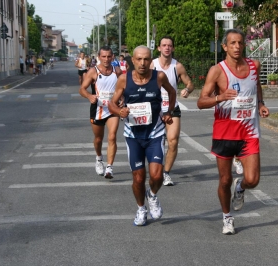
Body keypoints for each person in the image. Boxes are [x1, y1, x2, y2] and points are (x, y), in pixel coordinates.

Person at [197, 29, 270, 235]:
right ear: (225, 47)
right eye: (232, 43)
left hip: (249, 132)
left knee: (253, 179)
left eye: (240, 43)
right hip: (224, 133)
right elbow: (201, 101)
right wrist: (220, 98)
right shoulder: (217, 71)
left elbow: (256, 87)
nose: (237, 46)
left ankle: (241, 188)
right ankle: (227, 217)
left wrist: (261, 103)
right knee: (224, 180)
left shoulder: (254, 66)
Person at [108, 45, 176, 226]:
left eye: (146, 59)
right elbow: (112, 104)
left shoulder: (158, 77)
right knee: (138, 178)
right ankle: (141, 208)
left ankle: (152, 195)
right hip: (133, 135)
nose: (143, 63)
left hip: (155, 132)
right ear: (133, 60)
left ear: (150, 60)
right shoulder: (124, 79)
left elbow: (172, 92)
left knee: (156, 176)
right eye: (139, 59)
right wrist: (119, 111)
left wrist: (168, 111)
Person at [150, 36, 194, 186]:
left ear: (173, 48)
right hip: (154, 109)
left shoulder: (178, 66)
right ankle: (154, 167)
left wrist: (187, 90)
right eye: (164, 45)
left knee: (173, 141)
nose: (167, 48)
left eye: (170, 45)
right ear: (159, 48)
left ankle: (166, 173)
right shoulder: (152, 65)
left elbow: (190, 83)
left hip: (171, 107)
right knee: (155, 142)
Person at [79, 46, 122, 179]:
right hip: (98, 109)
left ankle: (109, 168)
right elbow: (82, 89)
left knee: (112, 136)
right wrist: (89, 96)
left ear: (112, 57)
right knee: (98, 139)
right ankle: (99, 158)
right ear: (99, 57)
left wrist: (123, 98)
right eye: (103, 56)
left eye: (109, 56)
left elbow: (123, 87)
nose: (106, 59)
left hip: (113, 109)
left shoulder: (117, 71)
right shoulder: (93, 71)